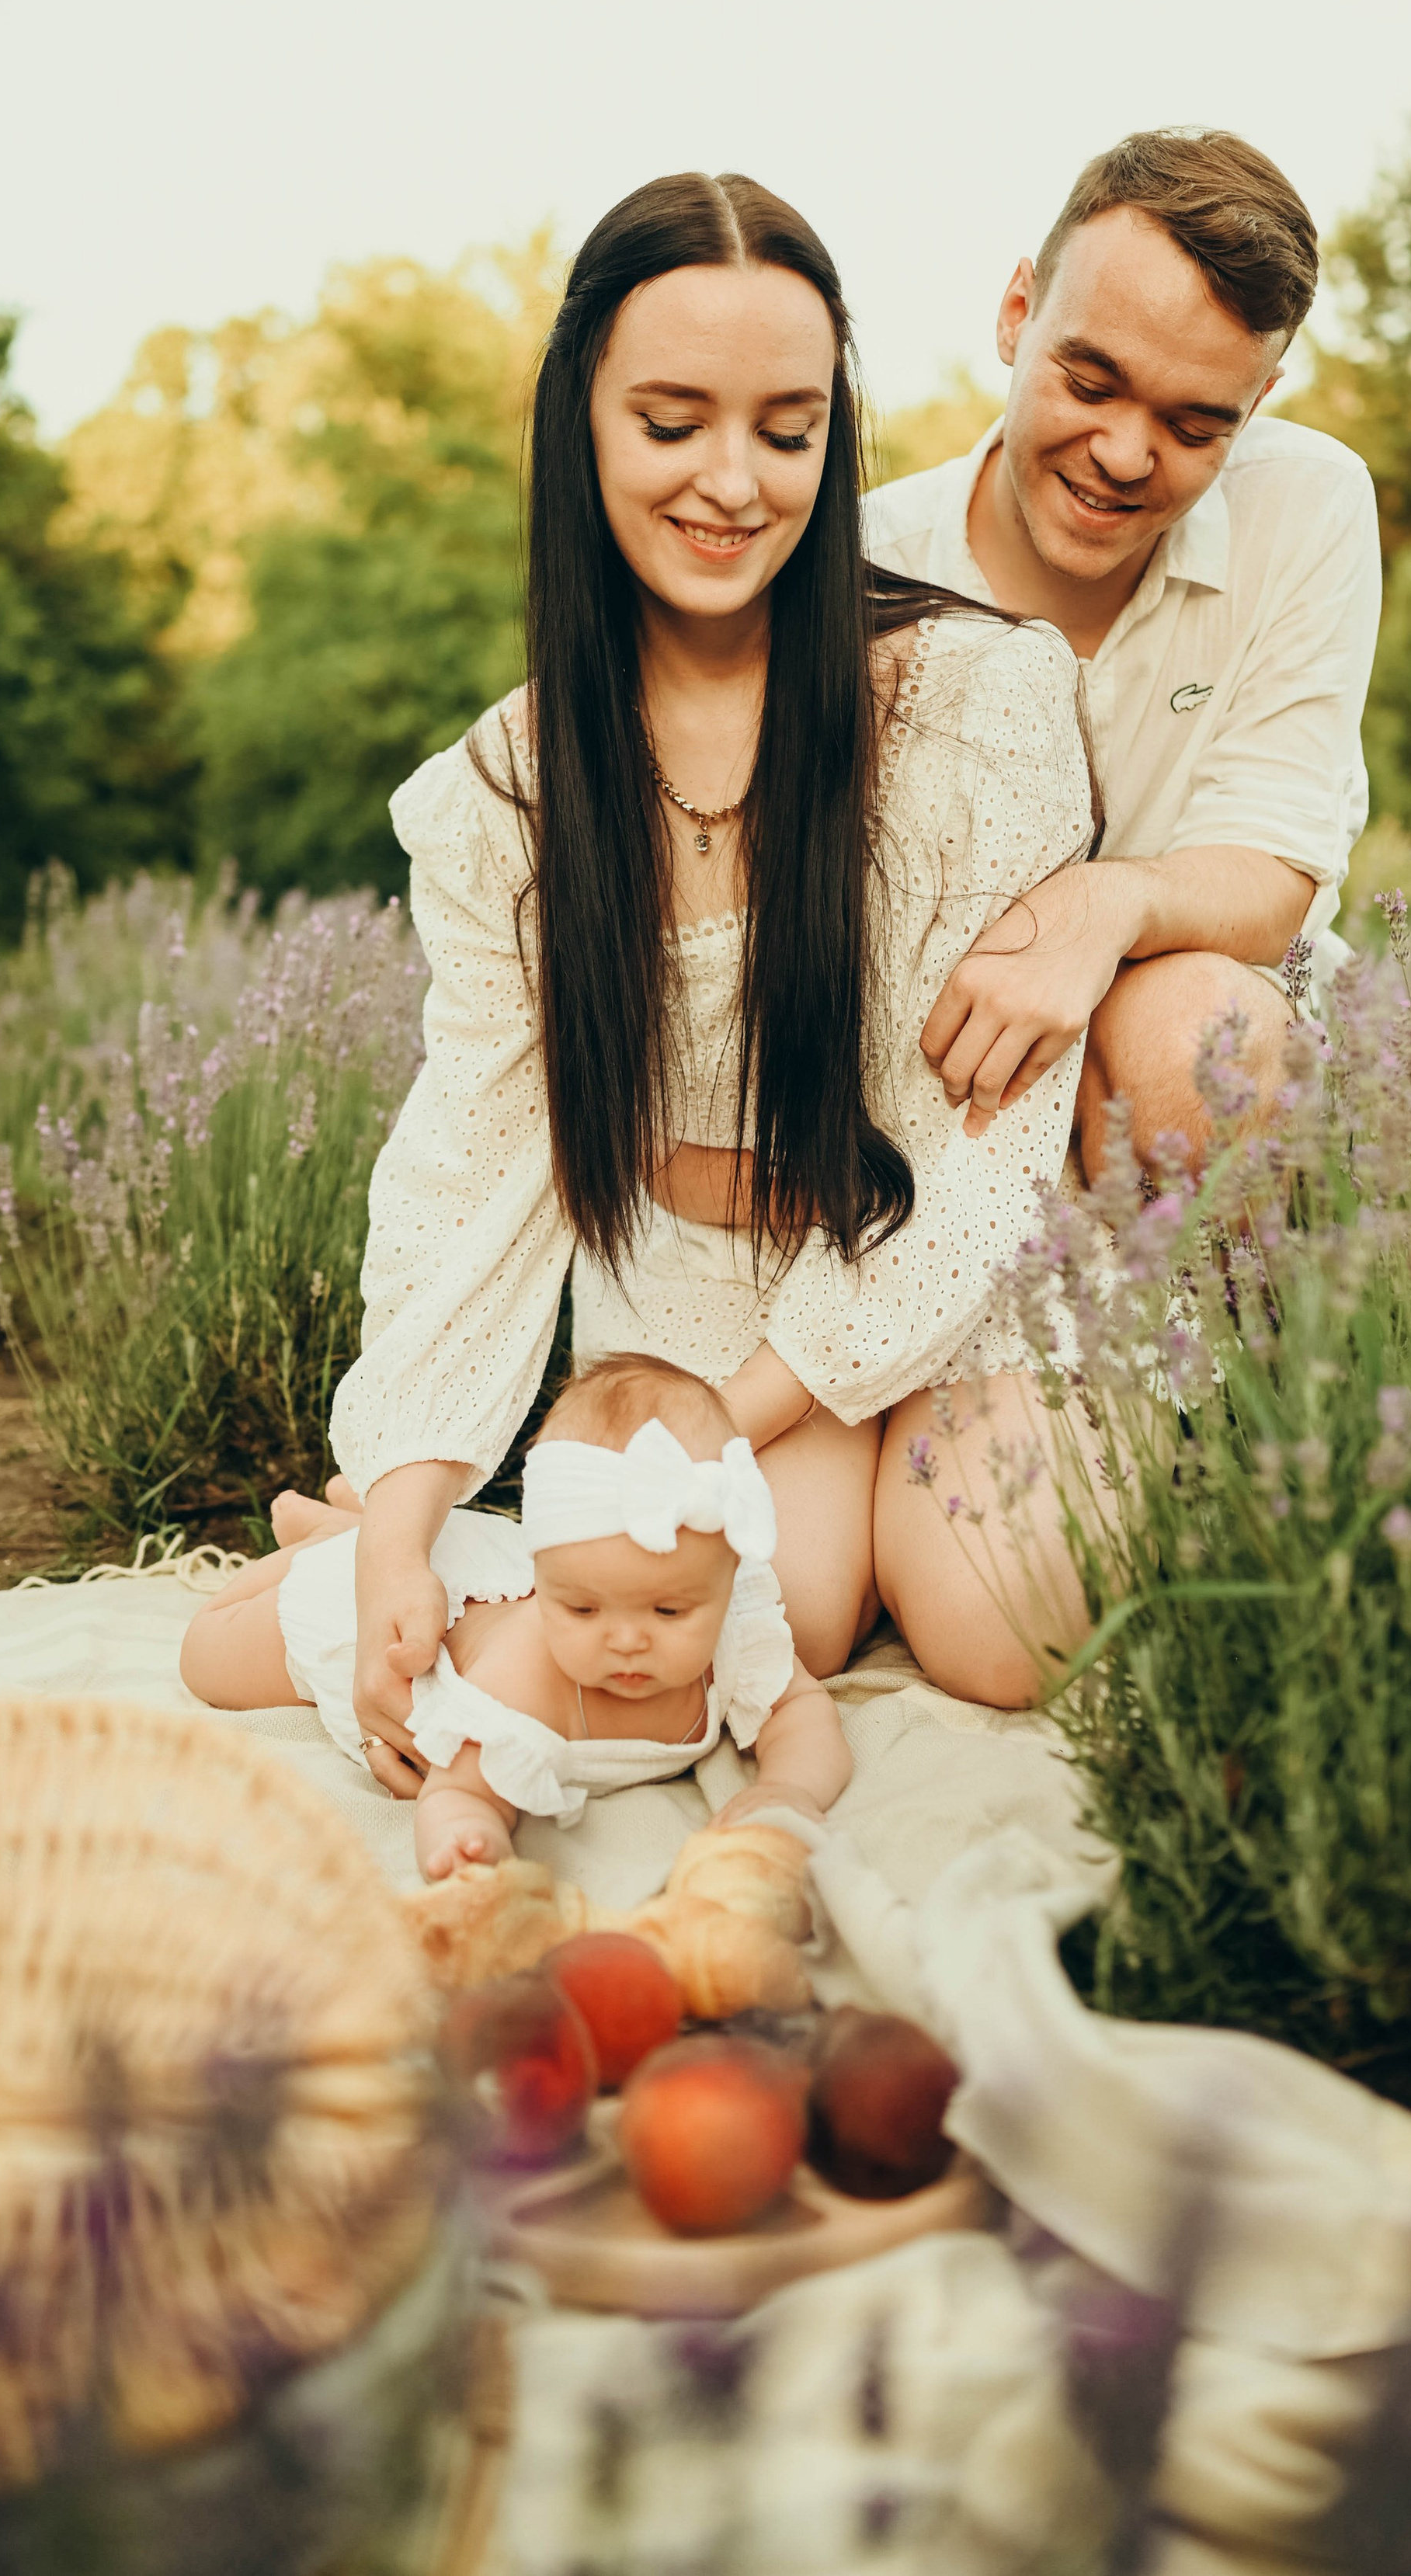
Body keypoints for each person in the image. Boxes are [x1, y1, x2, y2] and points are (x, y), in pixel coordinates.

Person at [294, 170, 1107, 1764]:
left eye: (785, 430)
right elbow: (470, 1159)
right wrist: (403, 1503)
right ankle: (366, 1549)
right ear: (580, 421)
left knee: (1012, 1619)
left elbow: (992, 1147)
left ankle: (891, 1521)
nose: (733, 482)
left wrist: (712, 1439)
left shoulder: (972, 705)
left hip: (943, 1274)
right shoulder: (507, 793)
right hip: (691, 1310)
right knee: (760, 1617)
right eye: (671, 423)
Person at [867, 127, 1382, 1179]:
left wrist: (1098, 906)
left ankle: (1239, 1336)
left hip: (1194, 1047)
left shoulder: (1308, 504)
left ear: (1262, 395)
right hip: (930, 1069)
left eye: (1196, 426)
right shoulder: (862, 564)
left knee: (1199, 1035)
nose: (1124, 454)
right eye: (1092, 384)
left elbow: (1275, 863)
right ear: (1018, 313)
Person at [181, 1352, 851, 1884]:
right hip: (402, 1617)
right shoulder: (524, 1680)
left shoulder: (739, 1624)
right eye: (581, 1606)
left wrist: (789, 1788)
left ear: (729, 1575)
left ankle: (345, 1519)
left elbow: (801, 1711)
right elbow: (456, 1793)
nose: (624, 1638)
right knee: (205, 1651)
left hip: (482, 1569)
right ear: (548, 1571)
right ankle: (334, 1543)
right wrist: (469, 1840)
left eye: (669, 1609)